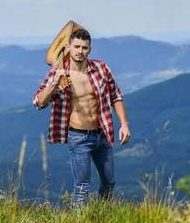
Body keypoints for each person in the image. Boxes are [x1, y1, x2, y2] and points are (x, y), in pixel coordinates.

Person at [33, 28, 131, 205]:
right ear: (68, 47)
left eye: (84, 48)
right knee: (82, 188)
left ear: (90, 50)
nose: (80, 51)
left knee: (109, 182)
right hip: (78, 137)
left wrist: (124, 124)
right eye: (77, 47)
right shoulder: (59, 74)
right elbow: (38, 102)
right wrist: (54, 83)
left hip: (102, 134)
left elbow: (115, 94)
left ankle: (103, 217)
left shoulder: (101, 68)